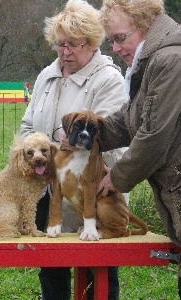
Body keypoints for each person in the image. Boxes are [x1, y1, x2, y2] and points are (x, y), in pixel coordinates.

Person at [20, 0, 129, 299]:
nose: (65, 52)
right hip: (49, 189)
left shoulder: (108, 80)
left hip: (93, 194)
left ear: (93, 43)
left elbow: (115, 141)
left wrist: (64, 148)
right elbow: (28, 127)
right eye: (60, 44)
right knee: (52, 269)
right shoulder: (46, 75)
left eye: (74, 45)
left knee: (99, 272)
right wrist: (36, 159)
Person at [94, 0, 181, 297]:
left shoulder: (170, 60)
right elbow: (132, 118)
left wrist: (116, 177)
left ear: (146, 26)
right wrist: (90, 135)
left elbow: (154, 134)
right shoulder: (151, 61)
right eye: (112, 41)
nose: (116, 48)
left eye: (121, 38)